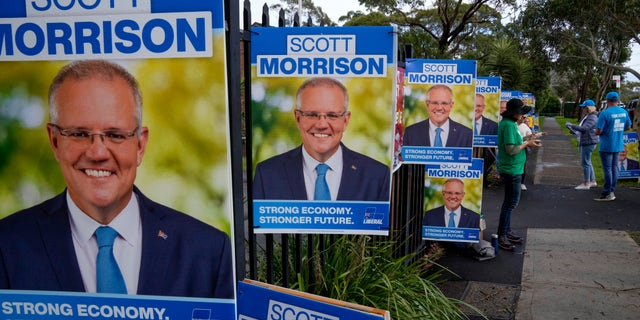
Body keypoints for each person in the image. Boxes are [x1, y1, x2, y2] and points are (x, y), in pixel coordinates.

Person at [0, 60, 234, 298]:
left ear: (140, 145)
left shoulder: (208, 253)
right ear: (55, 141)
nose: (98, 153)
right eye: (79, 134)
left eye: (115, 135)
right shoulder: (6, 247)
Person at [253, 77, 390, 201]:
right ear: (298, 118)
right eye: (312, 114)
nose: (322, 125)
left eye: (332, 115)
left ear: (346, 120)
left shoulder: (377, 176)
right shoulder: (267, 174)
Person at [495, 98, 542, 251]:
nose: (524, 116)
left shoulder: (510, 124)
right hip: (511, 169)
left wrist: (526, 138)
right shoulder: (509, 125)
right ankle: (502, 234)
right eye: (522, 113)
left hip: (513, 168)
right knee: (510, 204)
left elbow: (513, 142)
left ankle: (506, 231)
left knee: (510, 203)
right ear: (515, 113)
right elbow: (511, 149)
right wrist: (527, 144)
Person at [403, 84, 473, 147]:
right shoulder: (411, 133)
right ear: (427, 104)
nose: (439, 108)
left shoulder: (466, 135)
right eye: (435, 103)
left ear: (451, 105)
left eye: (444, 103)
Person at [594, 91, 632, 201]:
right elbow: (628, 127)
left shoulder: (605, 113)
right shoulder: (624, 112)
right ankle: (612, 190)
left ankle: (607, 193)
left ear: (607, 101)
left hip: (606, 145)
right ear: (618, 101)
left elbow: (598, 131)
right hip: (618, 144)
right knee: (615, 169)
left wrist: (599, 131)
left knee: (607, 169)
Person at [566, 99, 599, 189]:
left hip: (588, 142)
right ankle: (592, 181)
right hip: (587, 140)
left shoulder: (592, 117)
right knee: (588, 162)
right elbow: (583, 129)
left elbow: (584, 128)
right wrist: (574, 131)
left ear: (588, 108)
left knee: (585, 163)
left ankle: (586, 183)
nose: (582, 109)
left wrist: (572, 125)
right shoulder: (589, 116)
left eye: (584, 107)